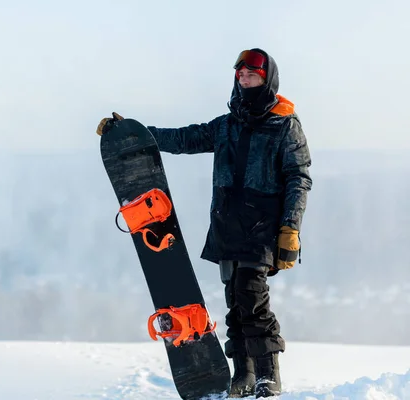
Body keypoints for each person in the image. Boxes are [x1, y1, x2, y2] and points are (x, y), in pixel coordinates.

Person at [96, 48, 312, 398]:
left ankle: (268, 375)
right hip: (227, 225)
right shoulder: (227, 125)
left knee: (251, 297)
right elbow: (184, 138)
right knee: (235, 302)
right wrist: (133, 134)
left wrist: (290, 228)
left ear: (267, 79)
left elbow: (298, 178)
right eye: (240, 74)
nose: (244, 79)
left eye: (252, 75)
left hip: (262, 228)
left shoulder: (284, 125)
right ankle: (244, 372)